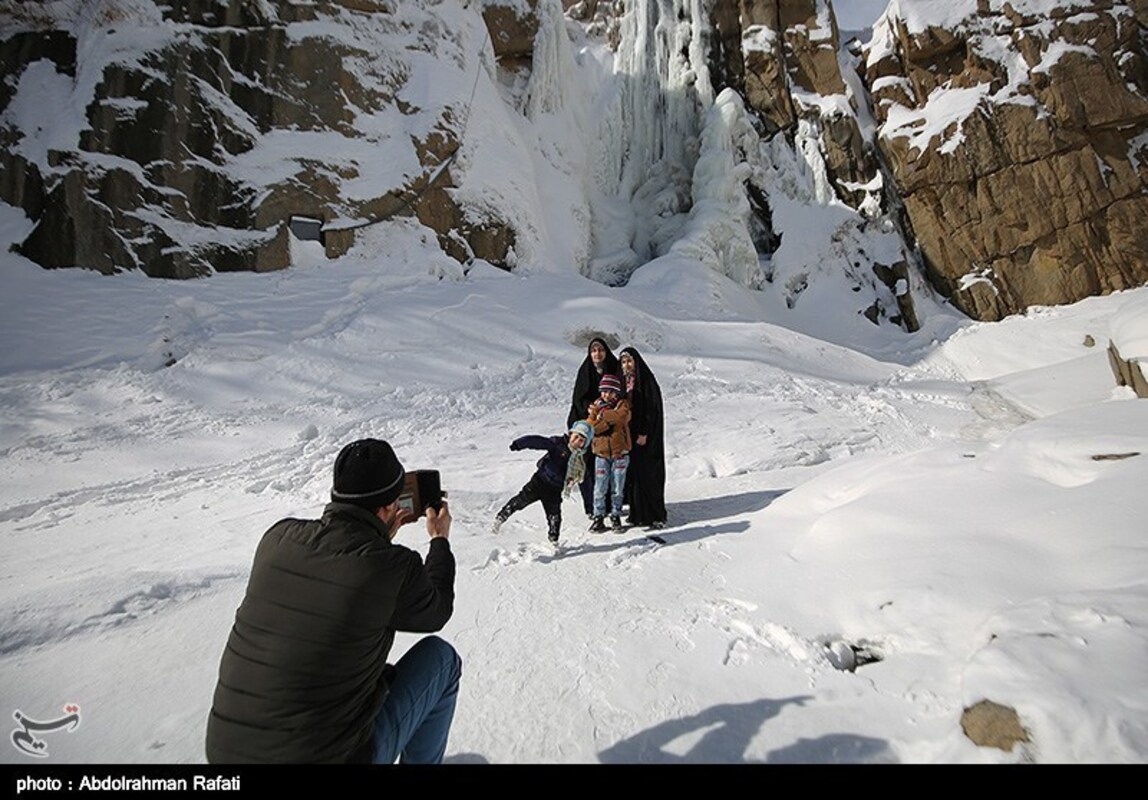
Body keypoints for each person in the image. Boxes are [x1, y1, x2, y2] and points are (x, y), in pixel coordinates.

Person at [205, 439, 460, 764]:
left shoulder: (277, 538)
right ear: (386, 509)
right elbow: (436, 610)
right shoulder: (393, 567)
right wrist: (439, 539)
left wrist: (376, 538)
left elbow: (337, 576)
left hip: (225, 754)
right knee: (442, 660)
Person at [491, 420, 594, 544]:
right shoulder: (558, 443)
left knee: (555, 517)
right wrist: (519, 444)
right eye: (576, 436)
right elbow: (539, 441)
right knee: (520, 501)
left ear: (585, 444)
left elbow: (586, 484)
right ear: (571, 433)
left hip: (555, 490)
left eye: (582, 440)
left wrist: (589, 507)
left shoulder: (581, 460)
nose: (577, 441)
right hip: (539, 482)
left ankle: (553, 541)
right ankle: (500, 518)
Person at [567, 337, 622, 516]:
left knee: (612, 468)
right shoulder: (585, 371)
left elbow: (621, 396)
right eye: (593, 351)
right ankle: (593, 508)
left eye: (600, 350)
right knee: (588, 467)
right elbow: (578, 399)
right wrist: (588, 408)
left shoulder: (614, 368)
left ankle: (612, 505)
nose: (597, 354)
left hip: (610, 427)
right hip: (588, 425)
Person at [620, 347, 667, 529]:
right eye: (623, 362)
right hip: (630, 436)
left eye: (629, 361)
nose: (627, 365)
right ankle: (637, 513)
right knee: (634, 474)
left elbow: (651, 409)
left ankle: (653, 514)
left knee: (648, 473)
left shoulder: (646, 381)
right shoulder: (624, 382)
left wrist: (644, 432)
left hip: (645, 437)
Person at [587, 373, 632, 532]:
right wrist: (602, 422)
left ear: (616, 392)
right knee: (600, 487)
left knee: (618, 487)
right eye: (604, 391)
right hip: (601, 454)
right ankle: (598, 516)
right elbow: (591, 427)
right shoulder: (596, 405)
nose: (607, 395)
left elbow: (621, 418)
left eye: (610, 391)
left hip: (620, 453)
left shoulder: (623, 404)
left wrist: (603, 416)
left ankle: (615, 514)